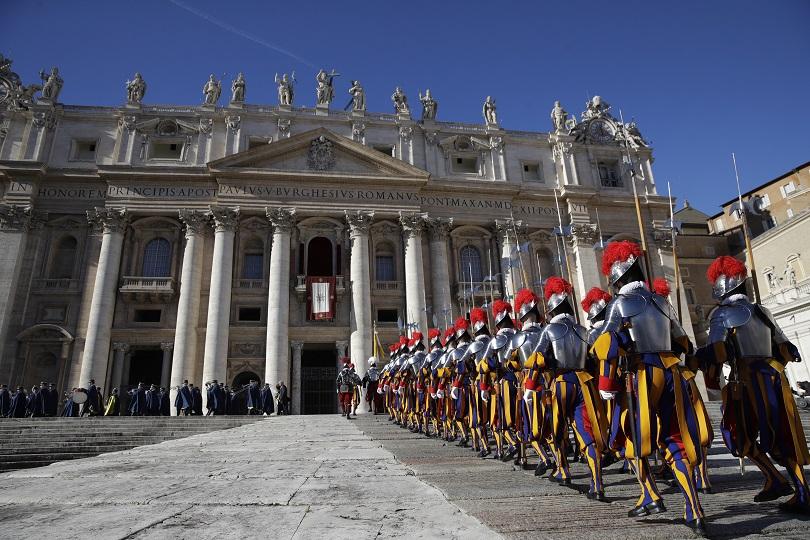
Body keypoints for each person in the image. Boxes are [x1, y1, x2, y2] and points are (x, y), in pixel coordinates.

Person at [593, 240, 705, 534]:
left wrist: (606, 383)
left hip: (641, 374)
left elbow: (607, 345)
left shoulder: (619, 303)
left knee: (629, 437)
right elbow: (684, 343)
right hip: (672, 373)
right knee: (674, 438)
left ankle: (652, 494)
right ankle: (693, 509)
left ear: (618, 277)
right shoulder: (662, 301)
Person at [696, 255, 810, 514]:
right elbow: (784, 346)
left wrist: (697, 357)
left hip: (744, 383)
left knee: (738, 434)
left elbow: (717, 351)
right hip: (774, 379)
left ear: (722, 286)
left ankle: (775, 477)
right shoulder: (762, 311)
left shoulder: (722, 314)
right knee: (783, 435)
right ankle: (796, 488)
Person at [528, 277, 608, 500]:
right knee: (586, 433)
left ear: (552, 309)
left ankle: (563, 470)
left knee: (557, 429)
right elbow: (592, 360)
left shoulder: (550, 330)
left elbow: (537, 359)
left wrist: (531, 385)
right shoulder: (584, 330)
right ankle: (597, 484)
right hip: (584, 383)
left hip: (561, 382)